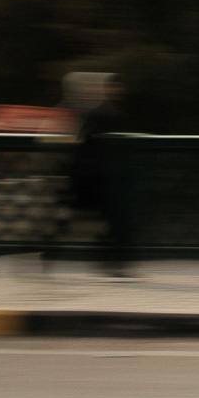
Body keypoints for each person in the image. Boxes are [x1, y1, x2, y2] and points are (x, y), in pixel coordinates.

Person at [66, 73, 133, 277]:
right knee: (115, 219)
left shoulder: (101, 112)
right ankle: (111, 263)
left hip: (97, 176)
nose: (118, 91)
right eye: (115, 87)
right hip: (99, 177)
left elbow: (83, 141)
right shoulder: (105, 113)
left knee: (109, 220)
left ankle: (109, 262)